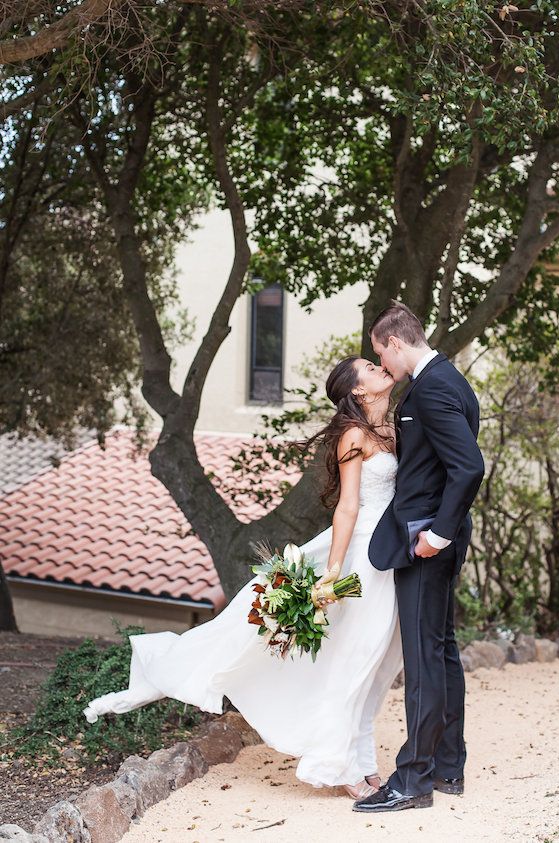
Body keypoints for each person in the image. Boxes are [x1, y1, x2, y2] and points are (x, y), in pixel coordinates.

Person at [84, 356, 403, 799]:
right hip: (363, 555)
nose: (381, 368)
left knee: (377, 663)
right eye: (370, 367)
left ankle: (364, 761)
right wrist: (332, 573)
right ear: (358, 391)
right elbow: (347, 506)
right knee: (354, 658)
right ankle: (338, 765)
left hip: (391, 553)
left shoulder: (390, 429)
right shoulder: (354, 435)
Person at [353, 301, 485, 814]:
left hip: (428, 542)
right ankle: (448, 767)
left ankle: (413, 780)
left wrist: (438, 534)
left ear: (397, 343)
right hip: (436, 537)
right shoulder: (448, 379)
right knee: (442, 650)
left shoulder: (431, 389)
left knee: (424, 656)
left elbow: (468, 467)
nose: (382, 366)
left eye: (381, 355)